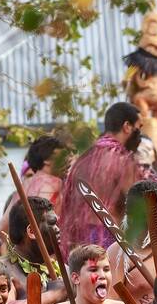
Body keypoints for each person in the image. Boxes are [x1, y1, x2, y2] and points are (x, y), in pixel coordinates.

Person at [58, 102, 143, 252]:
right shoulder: (122, 159)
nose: (140, 135)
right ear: (127, 126)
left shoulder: (84, 157)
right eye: (139, 127)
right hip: (107, 238)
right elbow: (137, 203)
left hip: (77, 240)